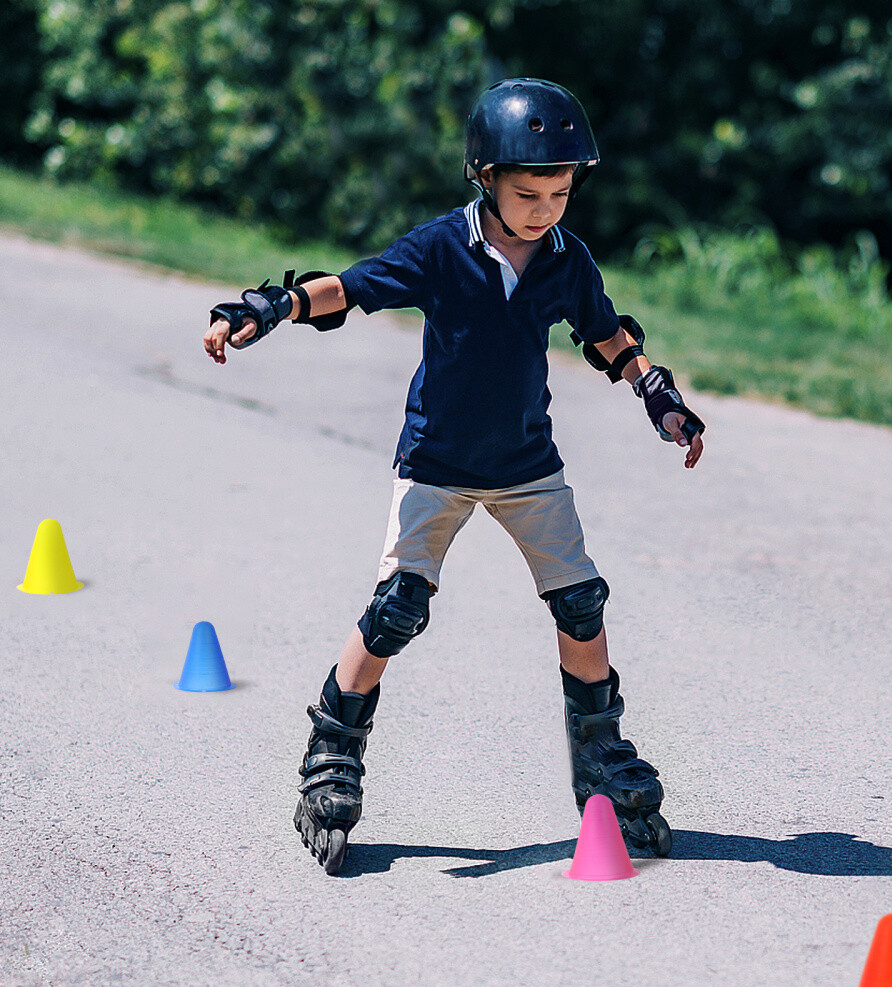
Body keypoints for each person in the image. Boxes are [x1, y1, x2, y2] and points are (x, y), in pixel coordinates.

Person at [203, 78, 705, 875]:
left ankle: (602, 754)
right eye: (528, 191)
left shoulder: (567, 261)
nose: (545, 208)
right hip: (436, 462)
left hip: (526, 464)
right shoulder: (442, 248)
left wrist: (658, 395)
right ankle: (334, 748)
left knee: (581, 604)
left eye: (562, 191)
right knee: (399, 606)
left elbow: (607, 334)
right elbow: (354, 287)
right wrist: (269, 309)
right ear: (485, 178)